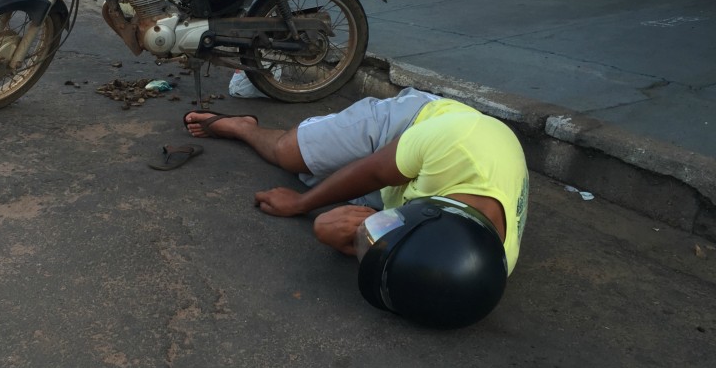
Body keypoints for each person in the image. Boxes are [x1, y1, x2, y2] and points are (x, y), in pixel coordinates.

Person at [183, 87, 528, 277]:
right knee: (290, 155)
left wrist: (361, 239)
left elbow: (404, 262)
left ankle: (316, 171)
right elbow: (376, 171)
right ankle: (246, 127)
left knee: (325, 201)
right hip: (413, 127)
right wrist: (302, 204)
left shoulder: (482, 271)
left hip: (413, 189)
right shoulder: (458, 141)